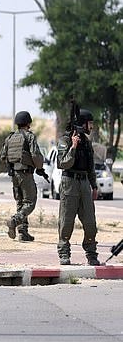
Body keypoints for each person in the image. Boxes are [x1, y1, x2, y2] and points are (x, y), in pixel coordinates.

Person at [56, 108, 100, 266]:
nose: (91, 127)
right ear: (82, 124)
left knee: (90, 222)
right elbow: (62, 163)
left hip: (84, 183)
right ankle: (64, 253)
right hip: (70, 183)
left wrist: (94, 186)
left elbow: (91, 167)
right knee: (66, 222)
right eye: (90, 123)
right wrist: (73, 147)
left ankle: (91, 253)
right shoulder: (65, 140)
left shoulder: (87, 143)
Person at [0, 111, 45, 242]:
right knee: (30, 202)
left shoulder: (10, 138)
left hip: (14, 174)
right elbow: (36, 155)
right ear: (28, 123)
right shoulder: (29, 137)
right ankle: (14, 221)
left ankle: (23, 232)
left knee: (20, 202)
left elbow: (3, 156)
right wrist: (40, 168)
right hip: (25, 174)